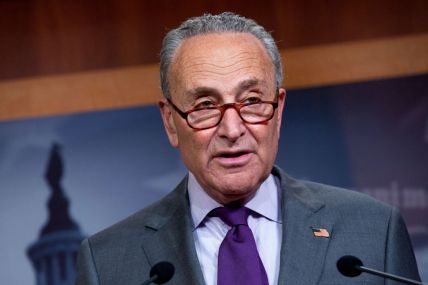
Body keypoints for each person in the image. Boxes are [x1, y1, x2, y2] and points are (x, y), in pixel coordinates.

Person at [76, 12, 421, 285]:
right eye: (205, 105)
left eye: (252, 101)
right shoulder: (109, 262)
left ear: (279, 110)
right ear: (170, 121)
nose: (232, 129)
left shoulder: (373, 231)